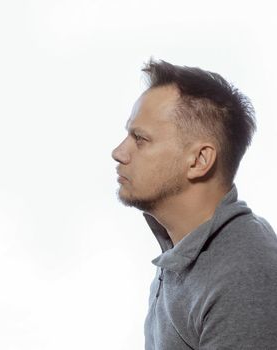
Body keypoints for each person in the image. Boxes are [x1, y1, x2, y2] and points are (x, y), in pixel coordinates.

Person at [112, 59, 277, 349]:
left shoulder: (243, 276)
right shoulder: (183, 245)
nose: (118, 152)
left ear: (199, 160)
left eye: (140, 139)